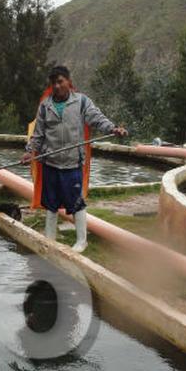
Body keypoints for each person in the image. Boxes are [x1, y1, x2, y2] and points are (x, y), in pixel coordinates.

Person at [21, 66, 127, 252]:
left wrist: (112, 128)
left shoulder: (81, 102)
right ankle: (50, 238)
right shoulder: (45, 106)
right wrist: (30, 151)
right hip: (50, 162)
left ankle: (81, 241)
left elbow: (97, 119)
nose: (56, 86)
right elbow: (38, 135)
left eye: (60, 81)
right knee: (51, 203)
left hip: (72, 163)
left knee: (76, 202)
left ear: (69, 82)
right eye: (53, 83)